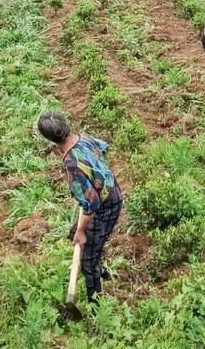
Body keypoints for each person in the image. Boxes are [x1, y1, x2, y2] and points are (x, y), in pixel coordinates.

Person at [36, 111, 122, 305]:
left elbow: (92, 204)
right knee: (74, 232)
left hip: (105, 206)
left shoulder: (71, 165)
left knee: (87, 262)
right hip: (112, 190)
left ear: (49, 139)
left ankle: (96, 305)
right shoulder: (84, 138)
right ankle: (98, 262)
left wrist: (82, 231)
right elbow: (103, 147)